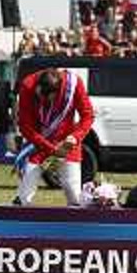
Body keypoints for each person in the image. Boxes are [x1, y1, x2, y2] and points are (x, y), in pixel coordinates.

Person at [13, 68, 95, 206]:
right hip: (39, 143)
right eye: (39, 95)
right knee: (24, 193)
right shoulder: (27, 86)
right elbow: (25, 126)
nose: (42, 100)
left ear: (57, 93)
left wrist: (75, 137)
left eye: (46, 97)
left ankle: (74, 226)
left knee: (74, 194)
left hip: (66, 145)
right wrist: (50, 148)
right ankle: (19, 222)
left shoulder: (74, 84)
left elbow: (88, 115)